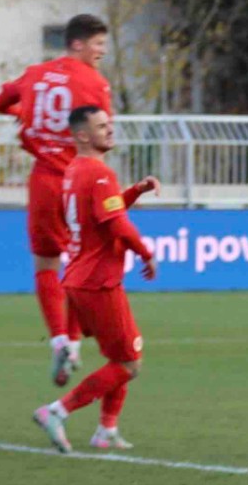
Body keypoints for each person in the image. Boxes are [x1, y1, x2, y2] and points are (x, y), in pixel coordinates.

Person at [0, 15, 113, 386]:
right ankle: (74, 344)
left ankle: (59, 339)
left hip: (44, 179)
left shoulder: (35, 74)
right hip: (77, 180)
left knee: (46, 264)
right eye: (97, 46)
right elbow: (101, 139)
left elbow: (0, 102)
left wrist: (23, 113)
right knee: (80, 264)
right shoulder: (94, 82)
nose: (100, 54)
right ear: (77, 44)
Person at [32, 106, 159, 453]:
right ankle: (57, 411)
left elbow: (105, 210)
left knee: (121, 355)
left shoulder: (75, 170)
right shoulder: (99, 173)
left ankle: (106, 429)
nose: (110, 130)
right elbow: (115, 223)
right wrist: (145, 252)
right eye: (102, 126)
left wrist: (134, 191)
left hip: (77, 279)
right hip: (98, 281)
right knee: (129, 363)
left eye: (109, 124)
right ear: (83, 135)